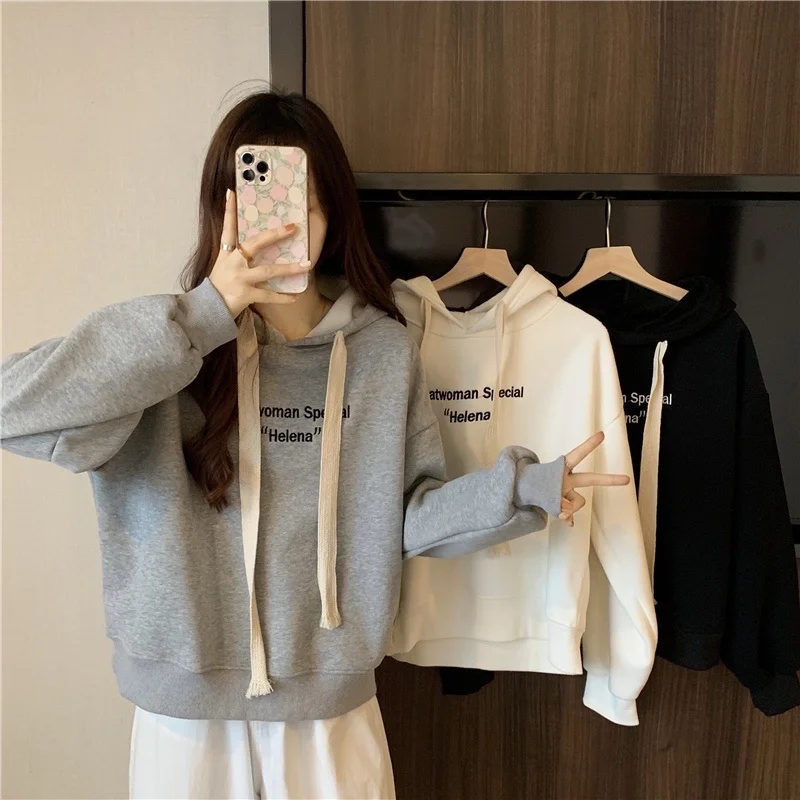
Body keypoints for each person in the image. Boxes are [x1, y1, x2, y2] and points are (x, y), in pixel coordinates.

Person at [0, 90, 630, 800]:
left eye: (303, 203)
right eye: (261, 202)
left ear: (331, 215)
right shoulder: (160, 354)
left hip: (329, 710)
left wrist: (519, 491)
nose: (282, 225)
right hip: (184, 715)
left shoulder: (381, 352)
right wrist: (204, 316)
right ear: (221, 210)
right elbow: (11, 407)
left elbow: (399, 518)